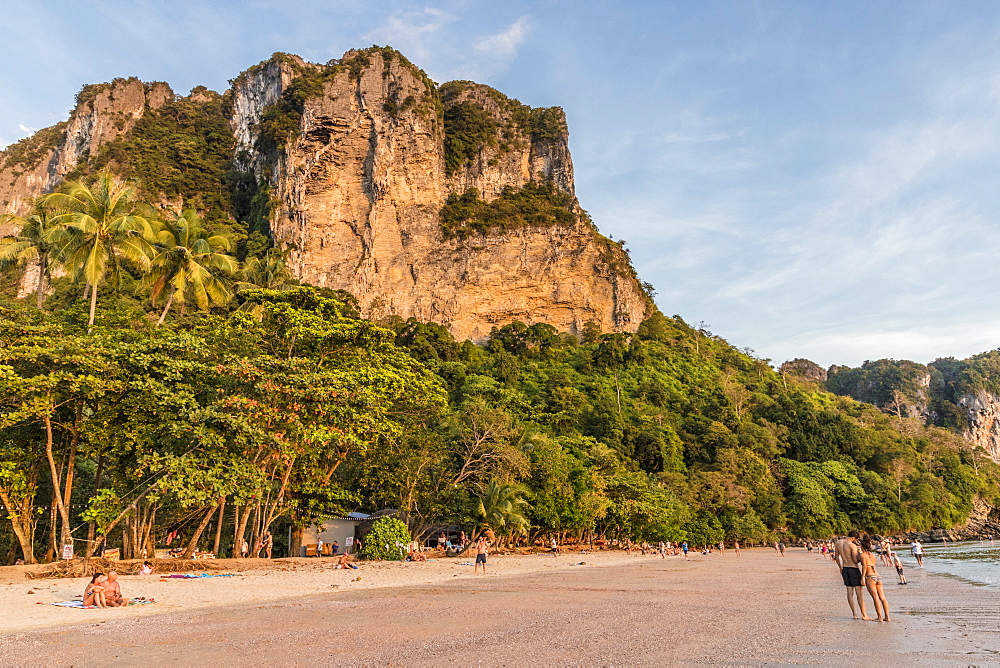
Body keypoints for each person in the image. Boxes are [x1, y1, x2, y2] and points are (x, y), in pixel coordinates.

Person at [833, 531, 871, 620]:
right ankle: (864, 614)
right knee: (859, 593)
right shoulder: (852, 545)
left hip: (845, 568)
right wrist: (860, 557)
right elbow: (854, 560)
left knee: (849, 592)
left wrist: (840, 567)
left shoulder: (838, 543)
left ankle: (854, 614)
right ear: (853, 538)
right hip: (853, 568)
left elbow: (837, 557)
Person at [860, 536, 890, 621]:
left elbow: (864, 566)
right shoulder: (873, 555)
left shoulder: (862, 555)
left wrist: (862, 577)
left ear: (862, 547)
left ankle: (879, 617)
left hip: (870, 576)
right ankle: (887, 616)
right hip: (877, 575)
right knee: (883, 597)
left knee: (875, 597)